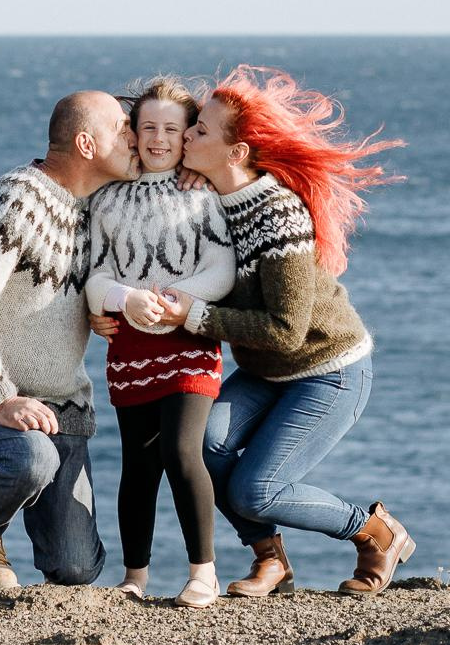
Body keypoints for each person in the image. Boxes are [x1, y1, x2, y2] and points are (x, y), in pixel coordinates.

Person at [123, 65, 411, 596]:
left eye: (200, 131)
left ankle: (374, 531)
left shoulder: (277, 216)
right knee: (203, 448)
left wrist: (192, 314)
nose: (186, 134)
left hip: (327, 371)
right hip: (265, 369)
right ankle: (270, 559)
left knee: (258, 490)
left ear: (236, 154)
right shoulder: (211, 196)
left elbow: (285, 330)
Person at [0, 90, 135, 591]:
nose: (134, 138)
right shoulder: (19, 196)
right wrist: (0, 398)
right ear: (87, 143)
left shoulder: (105, 206)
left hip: (63, 408)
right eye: (123, 128)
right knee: (29, 458)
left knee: (75, 570)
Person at [82, 76, 236, 607]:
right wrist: (123, 299)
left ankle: (203, 573)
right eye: (147, 127)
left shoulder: (204, 192)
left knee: (179, 450)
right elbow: (94, 277)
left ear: (187, 133)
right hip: (130, 346)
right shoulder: (106, 199)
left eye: (171, 128)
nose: (159, 139)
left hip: (188, 337)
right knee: (138, 463)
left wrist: (176, 302)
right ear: (134, 132)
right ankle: (136, 577)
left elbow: (222, 268)